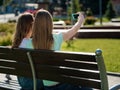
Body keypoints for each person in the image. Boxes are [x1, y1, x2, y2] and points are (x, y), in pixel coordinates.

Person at [14, 9, 92, 90]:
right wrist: (80, 21)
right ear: (50, 23)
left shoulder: (27, 43)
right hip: (61, 84)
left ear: (35, 24)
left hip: (47, 87)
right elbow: (73, 31)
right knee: (83, 82)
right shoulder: (57, 38)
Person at [12, 13, 44, 90]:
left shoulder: (17, 43)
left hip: (22, 82)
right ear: (30, 26)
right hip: (33, 83)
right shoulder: (31, 43)